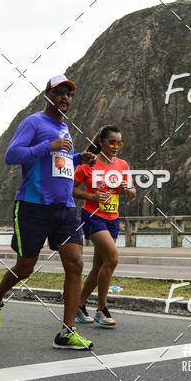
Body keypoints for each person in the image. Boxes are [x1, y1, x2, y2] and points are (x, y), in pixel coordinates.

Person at [0, 75, 97, 350]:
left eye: (69, 95)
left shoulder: (64, 127)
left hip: (65, 207)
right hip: (33, 206)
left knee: (75, 264)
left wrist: (77, 158)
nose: (65, 98)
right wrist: (49, 146)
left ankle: (67, 331)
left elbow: (57, 161)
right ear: (46, 95)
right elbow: (12, 155)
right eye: (59, 92)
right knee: (26, 267)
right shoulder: (33, 122)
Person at [73, 125, 136, 326]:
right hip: (92, 216)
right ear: (101, 142)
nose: (116, 146)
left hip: (112, 218)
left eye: (119, 142)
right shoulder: (88, 164)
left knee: (99, 266)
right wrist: (90, 196)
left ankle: (78, 305)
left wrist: (128, 189)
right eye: (112, 142)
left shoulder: (123, 165)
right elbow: (71, 189)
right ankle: (102, 309)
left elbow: (132, 193)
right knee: (113, 257)